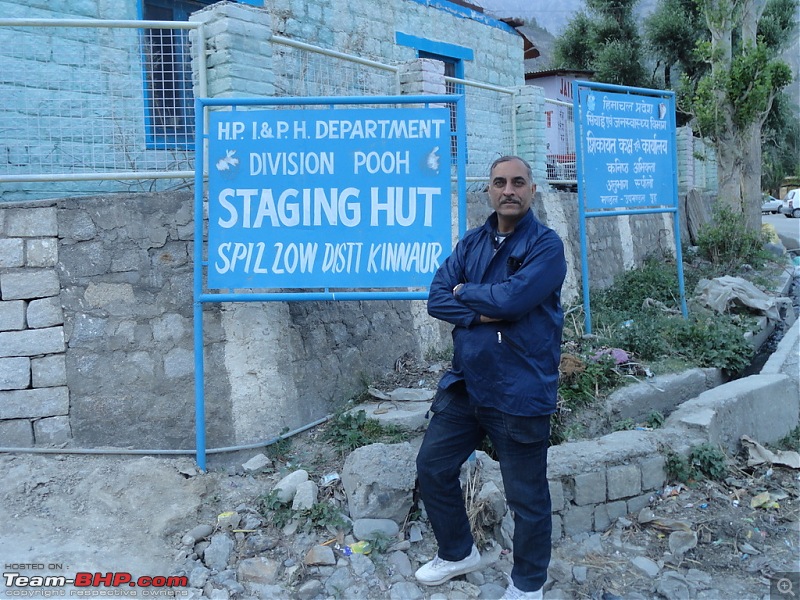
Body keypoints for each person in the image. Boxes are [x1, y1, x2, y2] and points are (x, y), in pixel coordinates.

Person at [415, 155, 567, 600]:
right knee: (433, 468)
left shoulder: (546, 246)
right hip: (467, 384)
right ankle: (458, 552)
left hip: (520, 388)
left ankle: (527, 585)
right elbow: (437, 298)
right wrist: (487, 307)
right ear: (489, 191)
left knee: (527, 498)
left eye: (518, 182)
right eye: (500, 182)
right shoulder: (471, 244)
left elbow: (516, 299)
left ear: (532, 189)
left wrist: (470, 295)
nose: (509, 190)